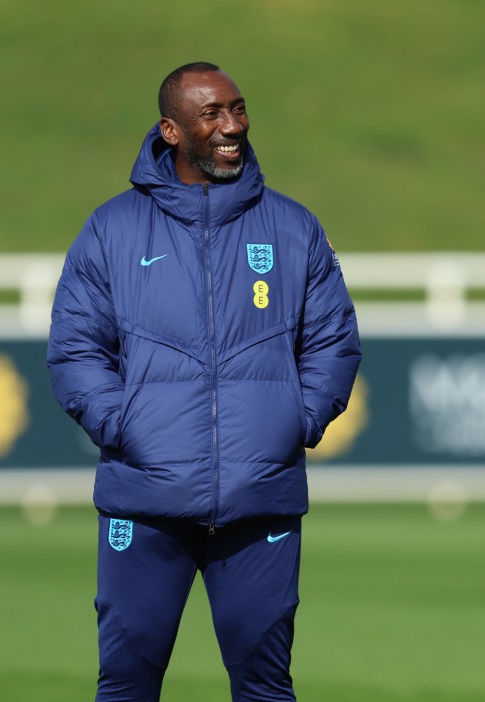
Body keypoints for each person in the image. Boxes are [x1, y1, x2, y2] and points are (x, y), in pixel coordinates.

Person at [47, 62, 361, 701]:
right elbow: (76, 350)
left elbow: (333, 340)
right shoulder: (111, 229)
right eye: (212, 114)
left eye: (238, 109)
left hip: (259, 500)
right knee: (126, 685)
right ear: (170, 130)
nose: (232, 126)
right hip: (145, 499)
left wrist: (292, 423)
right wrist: (125, 426)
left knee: (266, 687)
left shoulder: (293, 226)